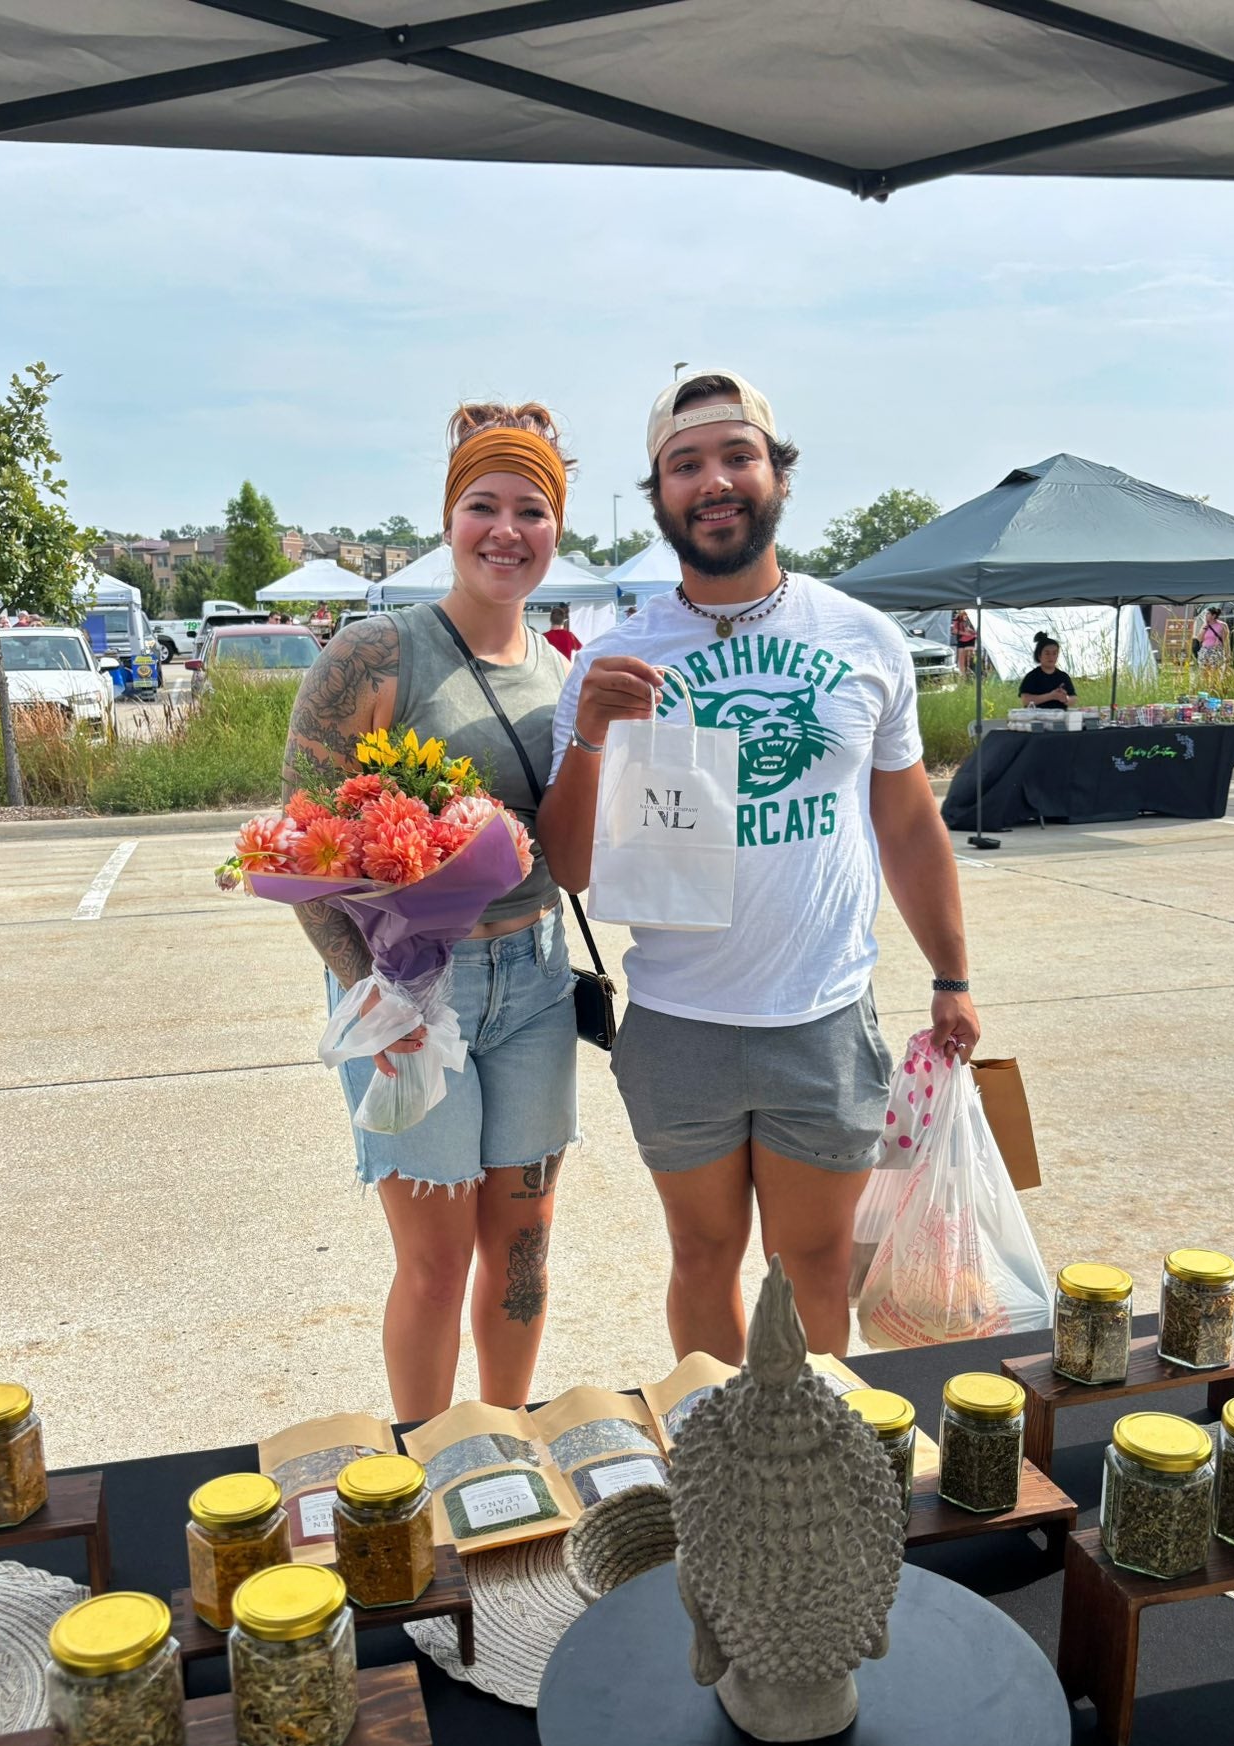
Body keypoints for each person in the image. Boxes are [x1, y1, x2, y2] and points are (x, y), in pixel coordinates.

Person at [539, 369, 980, 1364]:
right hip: (679, 1020)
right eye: (684, 464)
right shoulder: (612, 659)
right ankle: (717, 1453)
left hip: (820, 1015)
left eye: (736, 455)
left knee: (814, 1265)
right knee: (702, 1256)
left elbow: (907, 823)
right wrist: (592, 739)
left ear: (777, 473)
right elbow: (566, 861)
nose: (714, 481)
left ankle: (811, 1471)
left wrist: (952, 975)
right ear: (660, 496)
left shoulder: (863, 639)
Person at [282, 401, 579, 1422]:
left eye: (531, 509)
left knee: (523, 1249)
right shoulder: (375, 657)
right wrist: (380, 990)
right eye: (483, 505)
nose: (507, 529)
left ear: (557, 527)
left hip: (537, 984)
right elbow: (301, 840)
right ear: (449, 517)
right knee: (437, 1260)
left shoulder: (566, 674)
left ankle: (504, 1448)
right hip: (410, 986)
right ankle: (427, 1463)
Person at [1018, 633, 1075, 706]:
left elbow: (1073, 698)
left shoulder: (1063, 676)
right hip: (1036, 716)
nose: (1051, 657)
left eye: (1054, 653)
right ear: (1039, 655)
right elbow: (1025, 700)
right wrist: (1051, 696)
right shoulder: (1032, 676)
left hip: (1059, 715)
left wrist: (1065, 698)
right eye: (1047, 653)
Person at [951, 607, 977, 675]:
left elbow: (977, 631)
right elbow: (954, 630)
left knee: (969, 656)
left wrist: (970, 631)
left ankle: (970, 671)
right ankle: (962, 674)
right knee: (961, 659)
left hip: (971, 639)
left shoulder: (973, 617)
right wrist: (965, 633)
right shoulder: (958, 618)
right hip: (961, 640)